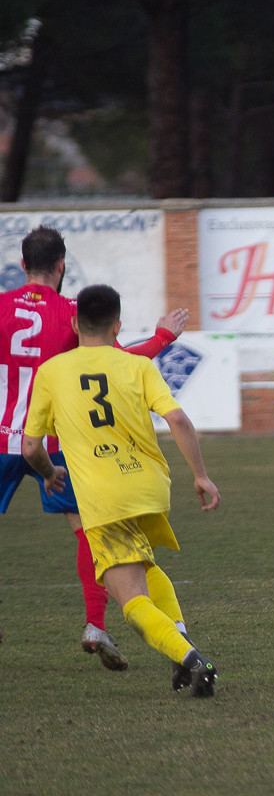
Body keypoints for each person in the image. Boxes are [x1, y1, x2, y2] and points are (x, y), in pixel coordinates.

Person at [1, 225, 186, 671]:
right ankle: (94, 624)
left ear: (23, 264)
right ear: (62, 265)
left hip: (4, 435)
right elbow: (121, 360)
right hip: (54, 441)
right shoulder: (71, 312)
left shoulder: (1, 307)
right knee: (88, 528)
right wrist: (163, 337)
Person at [22, 284, 221, 696]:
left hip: (102, 498)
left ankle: (190, 658)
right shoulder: (137, 366)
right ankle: (180, 648)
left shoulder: (52, 372)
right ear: (118, 325)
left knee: (130, 603)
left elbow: (30, 447)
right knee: (145, 565)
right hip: (148, 487)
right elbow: (179, 421)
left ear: (75, 323)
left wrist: (47, 472)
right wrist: (201, 476)